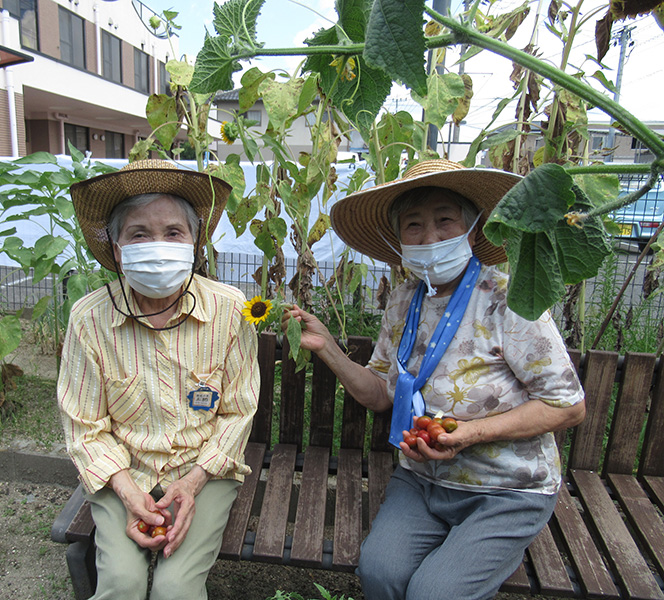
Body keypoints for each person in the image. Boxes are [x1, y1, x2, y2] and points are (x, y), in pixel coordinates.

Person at [284, 159, 585, 600]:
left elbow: (568, 405)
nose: (430, 238)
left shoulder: (508, 298)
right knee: (379, 574)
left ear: (473, 230)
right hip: (423, 479)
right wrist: (327, 346)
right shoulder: (403, 299)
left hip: (507, 488)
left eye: (445, 221)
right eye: (413, 225)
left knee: (434, 593)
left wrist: (471, 433)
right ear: (398, 238)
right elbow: (381, 394)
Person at [58, 159, 260, 600]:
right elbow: (84, 427)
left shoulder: (229, 310)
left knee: (176, 589)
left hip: (205, 468)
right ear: (117, 249)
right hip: (123, 469)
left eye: (173, 233)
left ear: (194, 244)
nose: (158, 246)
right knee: (121, 583)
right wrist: (128, 492)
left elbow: (238, 410)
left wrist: (192, 482)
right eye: (139, 234)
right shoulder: (89, 319)